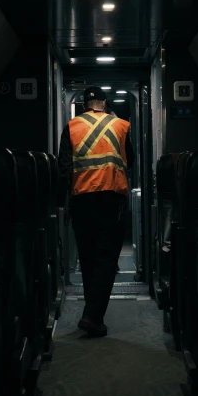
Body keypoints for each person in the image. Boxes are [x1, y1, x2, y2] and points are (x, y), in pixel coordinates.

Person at [58, 87, 134, 337]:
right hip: (111, 197)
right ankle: (92, 315)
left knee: (88, 257)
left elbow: (64, 167)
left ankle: (92, 312)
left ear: (83, 105)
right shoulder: (121, 125)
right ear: (104, 102)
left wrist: (64, 202)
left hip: (81, 199)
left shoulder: (72, 126)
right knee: (106, 258)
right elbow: (130, 160)